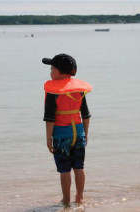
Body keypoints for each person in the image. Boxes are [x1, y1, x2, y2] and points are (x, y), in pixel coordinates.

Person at [42, 53, 92, 205]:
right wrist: (86, 134)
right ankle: (80, 197)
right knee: (79, 167)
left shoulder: (53, 91)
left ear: (58, 72)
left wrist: (48, 139)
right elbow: (86, 115)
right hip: (79, 133)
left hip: (61, 135)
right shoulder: (78, 90)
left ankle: (66, 200)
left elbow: (50, 118)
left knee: (64, 170)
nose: (50, 72)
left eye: (51, 69)